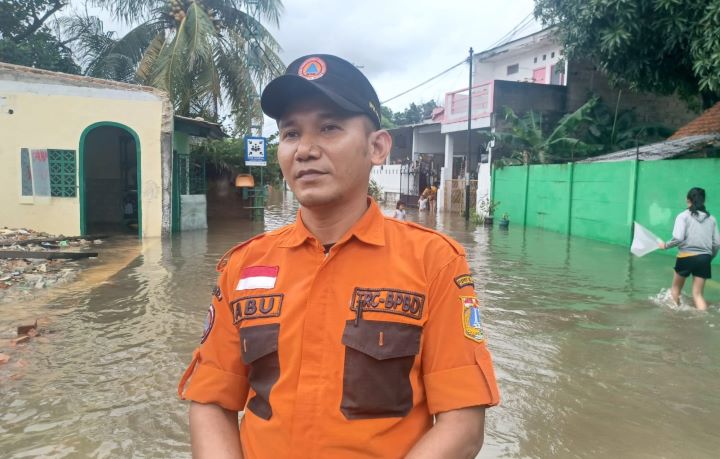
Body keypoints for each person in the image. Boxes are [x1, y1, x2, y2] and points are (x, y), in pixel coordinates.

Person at [178, 54, 499, 459]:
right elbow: (212, 400)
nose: (305, 150)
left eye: (329, 127)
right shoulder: (241, 267)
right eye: (290, 133)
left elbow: (462, 423)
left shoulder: (435, 262)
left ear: (377, 147)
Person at [659, 187, 720, 310]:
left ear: (688, 200)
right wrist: (708, 258)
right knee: (698, 295)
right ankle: (703, 321)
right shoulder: (712, 219)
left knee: (675, 290)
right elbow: (717, 244)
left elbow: (678, 238)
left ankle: (673, 319)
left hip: (686, 257)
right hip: (704, 258)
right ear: (703, 201)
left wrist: (665, 245)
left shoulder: (683, 216)